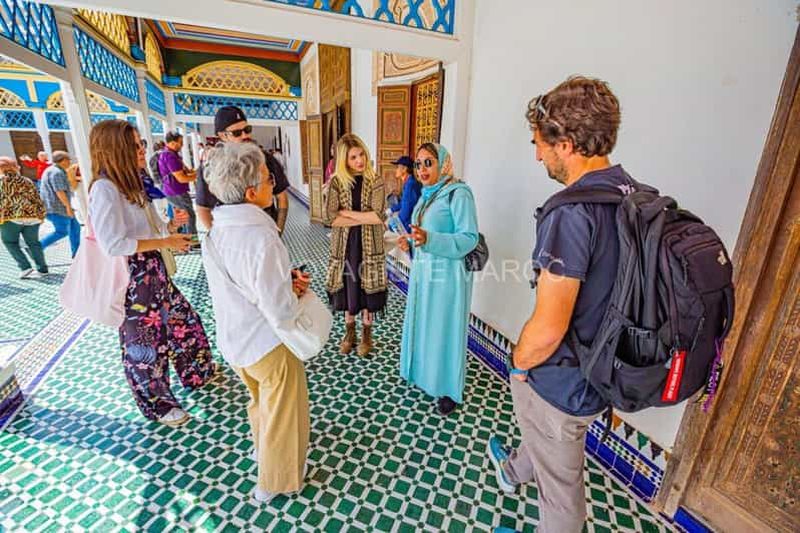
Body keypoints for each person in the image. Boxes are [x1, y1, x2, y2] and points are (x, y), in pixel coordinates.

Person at [488, 77, 629, 533]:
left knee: (562, 492)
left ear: (565, 144)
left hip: (566, 381)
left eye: (539, 144)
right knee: (551, 448)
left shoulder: (570, 213)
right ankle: (513, 470)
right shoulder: (632, 195)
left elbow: (548, 328)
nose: (536, 155)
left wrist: (518, 364)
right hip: (607, 369)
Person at [201, 141, 311, 503]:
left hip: (235, 340)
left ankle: (261, 451)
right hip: (268, 344)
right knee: (283, 413)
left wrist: (282, 282)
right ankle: (275, 481)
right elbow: (279, 311)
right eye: (267, 179)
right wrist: (294, 293)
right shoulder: (261, 237)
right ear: (251, 192)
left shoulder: (217, 230)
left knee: (259, 402)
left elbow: (243, 283)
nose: (273, 184)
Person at [88, 119, 216, 427]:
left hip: (154, 270)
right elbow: (114, 243)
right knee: (146, 344)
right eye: (134, 145)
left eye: (141, 143)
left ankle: (196, 371)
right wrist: (165, 240)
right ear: (114, 149)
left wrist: (169, 228)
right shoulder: (104, 189)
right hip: (134, 276)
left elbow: (145, 225)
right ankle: (159, 405)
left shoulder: (132, 182)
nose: (142, 150)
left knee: (183, 321)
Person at [397, 144, 479, 416]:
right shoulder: (427, 195)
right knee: (425, 324)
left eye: (428, 163)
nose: (422, 170)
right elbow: (423, 233)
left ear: (443, 164)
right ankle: (425, 375)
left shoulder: (458, 194)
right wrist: (410, 241)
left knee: (445, 330)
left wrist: (429, 239)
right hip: (424, 272)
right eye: (418, 164)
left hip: (448, 278)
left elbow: (469, 238)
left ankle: (448, 390)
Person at [325, 133, 387, 357]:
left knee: (366, 289)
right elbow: (331, 218)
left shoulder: (375, 180)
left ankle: (367, 335)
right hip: (345, 246)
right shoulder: (337, 182)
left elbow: (379, 216)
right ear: (344, 160)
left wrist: (347, 214)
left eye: (361, 154)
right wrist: (364, 216)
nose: (359, 161)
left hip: (370, 244)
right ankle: (349, 333)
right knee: (349, 287)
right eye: (353, 157)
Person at [195, 106, 290, 234]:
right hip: (231, 233)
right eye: (237, 133)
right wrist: (219, 239)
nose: (245, 135)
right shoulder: (212, 166)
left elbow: (281, 196)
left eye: (247, 129)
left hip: (265, 229)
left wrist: (278, 232)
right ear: (222, 136)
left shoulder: (265, 159)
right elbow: (203, 208)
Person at [0, 156, 49, 278]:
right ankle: (42, 269)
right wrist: (42, 215)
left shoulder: (2, 182)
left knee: (10, 242)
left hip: (11, 218)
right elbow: (37, 198)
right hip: (32, 217)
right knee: (34, 243)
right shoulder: (26, 180)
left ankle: (25, 268)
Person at [39, 151, 81, 257]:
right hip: (57, 209)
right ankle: (37, 249)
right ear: (63, 160)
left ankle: (77, 254)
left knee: (75, 228)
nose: (70, 162)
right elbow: (59, 191)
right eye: (68, 160)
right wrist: (68, 207)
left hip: (58, 207)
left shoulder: (52, 170)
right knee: (62, 231)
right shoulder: (56, 172)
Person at [158, 131, 198, 234]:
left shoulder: (172, 154)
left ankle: (185, 239)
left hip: (173, 191)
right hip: (176, 191)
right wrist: (198, 177)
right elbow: (182, 178)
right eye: (180, 142)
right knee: (189, 216)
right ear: (172, 143)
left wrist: (196, 172)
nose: (182, 145)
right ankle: (192, 241)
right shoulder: (169, 156)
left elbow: (187, 171)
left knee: (182, 217)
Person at [389, 155, 422, 233]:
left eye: (397, 167)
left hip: (411, 226)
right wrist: (392, 209)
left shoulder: (410, 186)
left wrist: (393, 225)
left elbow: (405, 212)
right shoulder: (410, 182)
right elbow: (405, 202)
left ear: (404, 169)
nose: (396, 170)